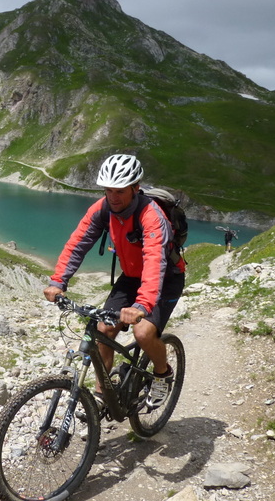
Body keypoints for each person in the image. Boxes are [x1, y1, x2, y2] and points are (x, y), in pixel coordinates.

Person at [43, 154, 186, 407]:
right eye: (108, 190)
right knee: (103, 330)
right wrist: (58, 281)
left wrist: (141, 306)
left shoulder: (151, 217)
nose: (113, 196)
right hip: (131, 277)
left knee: (143, 332)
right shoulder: (102, 208)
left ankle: (163, 374)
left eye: (119, 191)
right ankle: (102, 396)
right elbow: (78, 244)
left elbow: (155, 261)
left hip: (166, 278)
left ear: (135, 188)